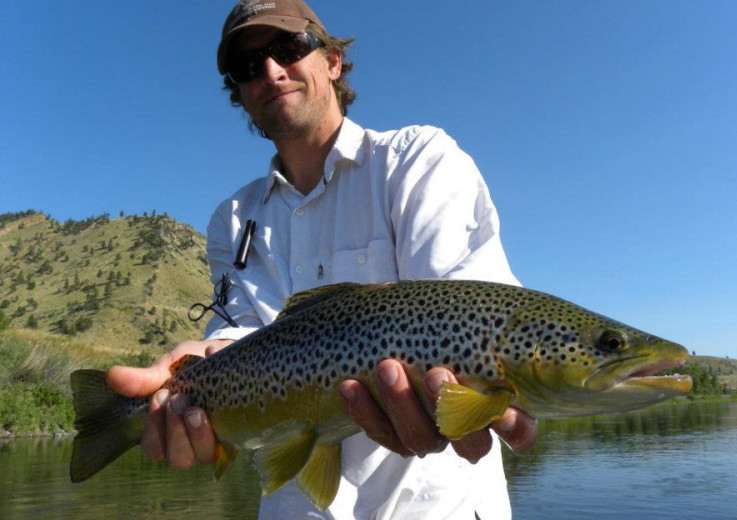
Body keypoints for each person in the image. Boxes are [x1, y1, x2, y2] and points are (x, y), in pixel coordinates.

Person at [106, 1, 538, 518]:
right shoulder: (233, 219)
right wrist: (193, 369)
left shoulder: (418, 161)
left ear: (333, 61)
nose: (270, 70)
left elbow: (469, 312)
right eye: (248, 66)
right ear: (240, 95)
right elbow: (247, 336)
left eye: (287, 47)